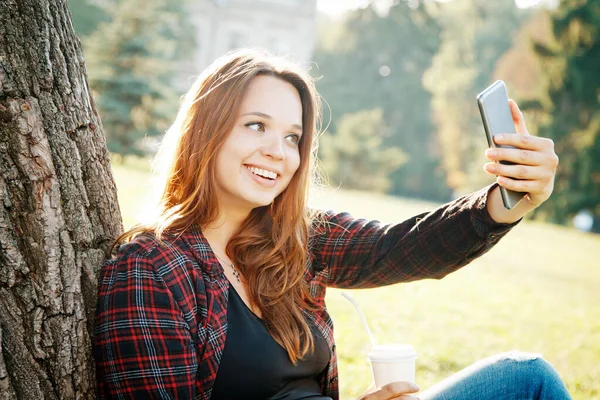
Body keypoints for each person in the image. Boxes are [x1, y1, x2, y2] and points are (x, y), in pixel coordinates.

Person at [93, 49, 570, 400]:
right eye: (255, 126)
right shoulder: (151, 268)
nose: (278, 152)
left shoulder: (298, 239)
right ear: (205, 129)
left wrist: (506, 204)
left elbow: (396, 248)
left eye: (292, 137)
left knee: (526, 376)